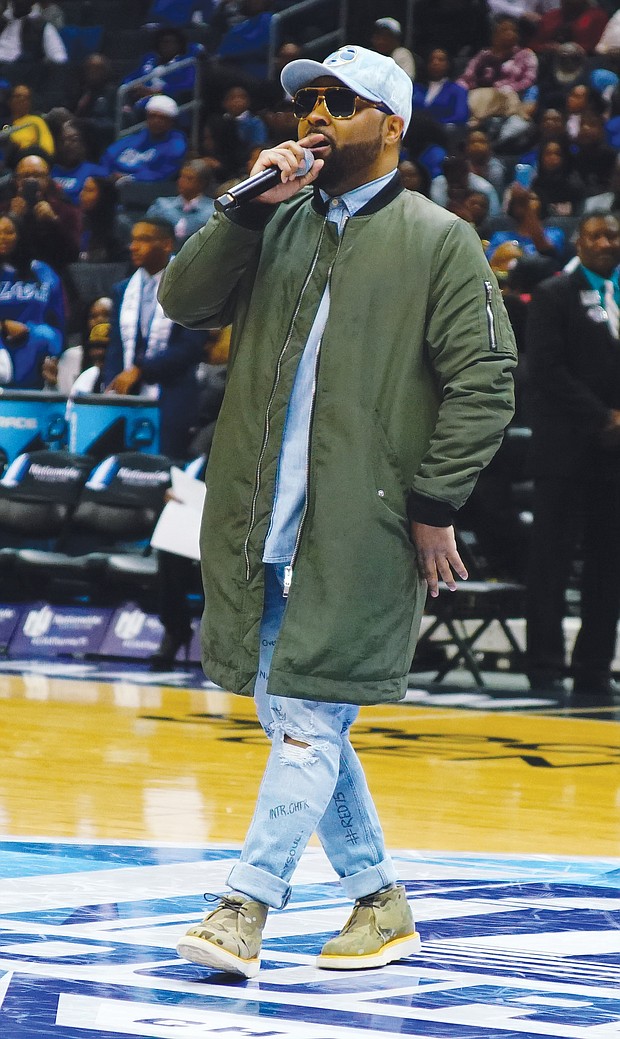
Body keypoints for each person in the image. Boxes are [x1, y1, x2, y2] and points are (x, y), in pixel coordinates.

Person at [159, 44, 516, 978]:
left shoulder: (442, 238)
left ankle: (244, 906)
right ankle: (379, 903)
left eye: (340, 103)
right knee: (301, 724)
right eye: (306, 101)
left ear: (392, 124)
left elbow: (486, 380)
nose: (313, 117)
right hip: (256, 518)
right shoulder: (273, 221)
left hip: (365, 525)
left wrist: (434, 500)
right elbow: (182, 300)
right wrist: (242, 209)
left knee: (310, 721)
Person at [525, 212, 620, 705]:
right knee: (552, 564)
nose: (606, 243)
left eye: (613, 235)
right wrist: (603, 416)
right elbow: (544, 371)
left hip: (613, 462)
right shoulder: (553, 294)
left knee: (609, 567)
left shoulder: (618, 295)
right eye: (596, 235)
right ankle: (544, 665)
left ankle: (594, 668)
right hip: (565, 452)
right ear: (579, 242)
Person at [103, 217, 205, 459]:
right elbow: (116, 347)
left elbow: (190, 348)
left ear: (167, 244)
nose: (133, 246)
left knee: (160, 468)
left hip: (172, 393)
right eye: (133, 239)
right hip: (127, 393)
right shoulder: (122, 290)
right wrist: (112, 385)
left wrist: (141, 371)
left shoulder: (190, 285)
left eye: (144, 239)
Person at [0, 211, 63, 388]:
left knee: (43, 335)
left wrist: (55, 353)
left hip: (34, 346)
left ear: (20, 235)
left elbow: (57, 320)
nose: (2, 237)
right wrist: (4, 325)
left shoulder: (42, 272)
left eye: (9, 232)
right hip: (2, 346)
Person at [3, 151, 80, 270]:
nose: (31, 180)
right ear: (16, 181)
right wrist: (12, 219)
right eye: (25, 176)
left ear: (48, 179)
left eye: (37, 175)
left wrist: (54, 221)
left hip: (54, 272)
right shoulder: (4, 210)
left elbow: (73, 254)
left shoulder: (65, 209)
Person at [457, 15, 538, 121]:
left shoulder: (526, 55)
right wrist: (457, 88)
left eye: (514, 30)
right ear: (494, 35)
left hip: (511, 97)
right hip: (483, 96)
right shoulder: (484, 56)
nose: (510, 33)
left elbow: (529, 80)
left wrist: (510, 87)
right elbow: (468, 77)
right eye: (505, 30)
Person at [100, 94, 188, 184]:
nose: (156, 121)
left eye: (162, 118)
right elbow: (109, 156)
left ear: (171, 121)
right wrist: (108, 174)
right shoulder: (136, 137)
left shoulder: (176, 145)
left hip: (143, 190)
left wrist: (131, 178)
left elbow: (163, 173)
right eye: (152, 116)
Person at [146, 159, 215, 245]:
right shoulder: (161, 204)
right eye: (181, 177)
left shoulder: (212, 210)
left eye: (189, 178)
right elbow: (146, 232)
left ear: (202, 183)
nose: (182, 181)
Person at [78, 175, 131, 262]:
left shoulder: (120, 224)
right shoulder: (79, 220)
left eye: (88, 190)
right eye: (83, 189)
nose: (81, 194)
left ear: (104, 195)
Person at [412, 48, 469, 128]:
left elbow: (461, 117)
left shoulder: (458, 90)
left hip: (441, 133)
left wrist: (436, 124)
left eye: (441, 60)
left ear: (448, 64)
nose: (435, 63)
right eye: (431, 60)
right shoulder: (415, 88)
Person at [50, 120, 103, 206]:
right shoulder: (51, 170)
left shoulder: (97, 172)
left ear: (85, 143)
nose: (67, 144)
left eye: (73, 140)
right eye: (63, 140)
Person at [2, 82, 54, 162]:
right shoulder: (3, 123)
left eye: (26, 97)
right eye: (18, 96)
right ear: (10, 101)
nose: (22, 99)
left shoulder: (36, 121)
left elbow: (47, 150)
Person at [531, 0, 608, 53]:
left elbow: (594, 47)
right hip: (546, 60)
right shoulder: (550, 16)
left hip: (582, 63)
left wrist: (564, 49)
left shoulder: (598, 17)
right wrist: (545, 47)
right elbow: (534, 44)